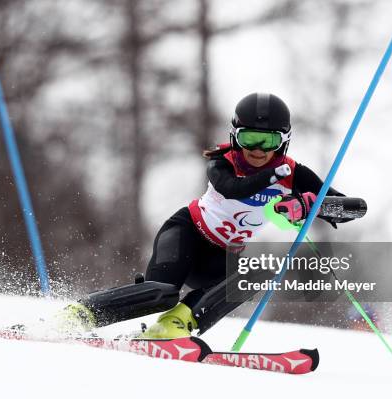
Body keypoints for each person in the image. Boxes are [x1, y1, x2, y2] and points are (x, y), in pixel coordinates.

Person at [56, 92, 357, 338]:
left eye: (268, 141)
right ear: (235, 136)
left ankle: (170, 329)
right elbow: (232, 189)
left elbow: (352, 209)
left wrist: (307, 203)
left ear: (284, 141)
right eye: (249, 137)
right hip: (187, 233)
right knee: (159, 294)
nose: (257, 149)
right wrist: (272, 178)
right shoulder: (222, 161)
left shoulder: (294, 174)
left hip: (221, 255)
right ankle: (79, 314)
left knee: (249, 278)